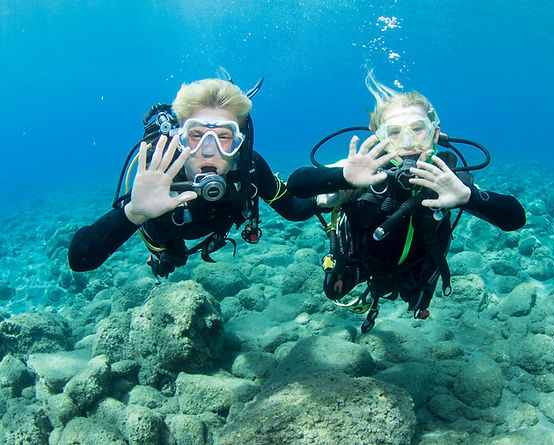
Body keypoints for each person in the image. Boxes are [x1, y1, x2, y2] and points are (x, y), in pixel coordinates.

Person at [287, 72, 526, 332]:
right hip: (361, 260)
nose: (409, 143)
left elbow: (515, 217)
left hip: (416, 267)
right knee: (334, 291)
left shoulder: (446, 178)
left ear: (434, 134)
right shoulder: (364, 171)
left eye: (417, 129)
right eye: (394, 134)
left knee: (417, 300)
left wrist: (467, 197)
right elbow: (296, 185)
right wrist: (343, 177)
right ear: (379, 138)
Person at [69, 75, 318, 279]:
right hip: (168, 239)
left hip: (215, 230)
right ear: (180, 136)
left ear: (239, 140)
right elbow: (80, 260)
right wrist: (135, 212)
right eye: (197, 135)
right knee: (170, 257)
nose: (209, 151)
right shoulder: (160, 172)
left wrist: (337, 187)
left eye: (223, 136)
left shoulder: (250, 167)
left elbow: (294, 209)